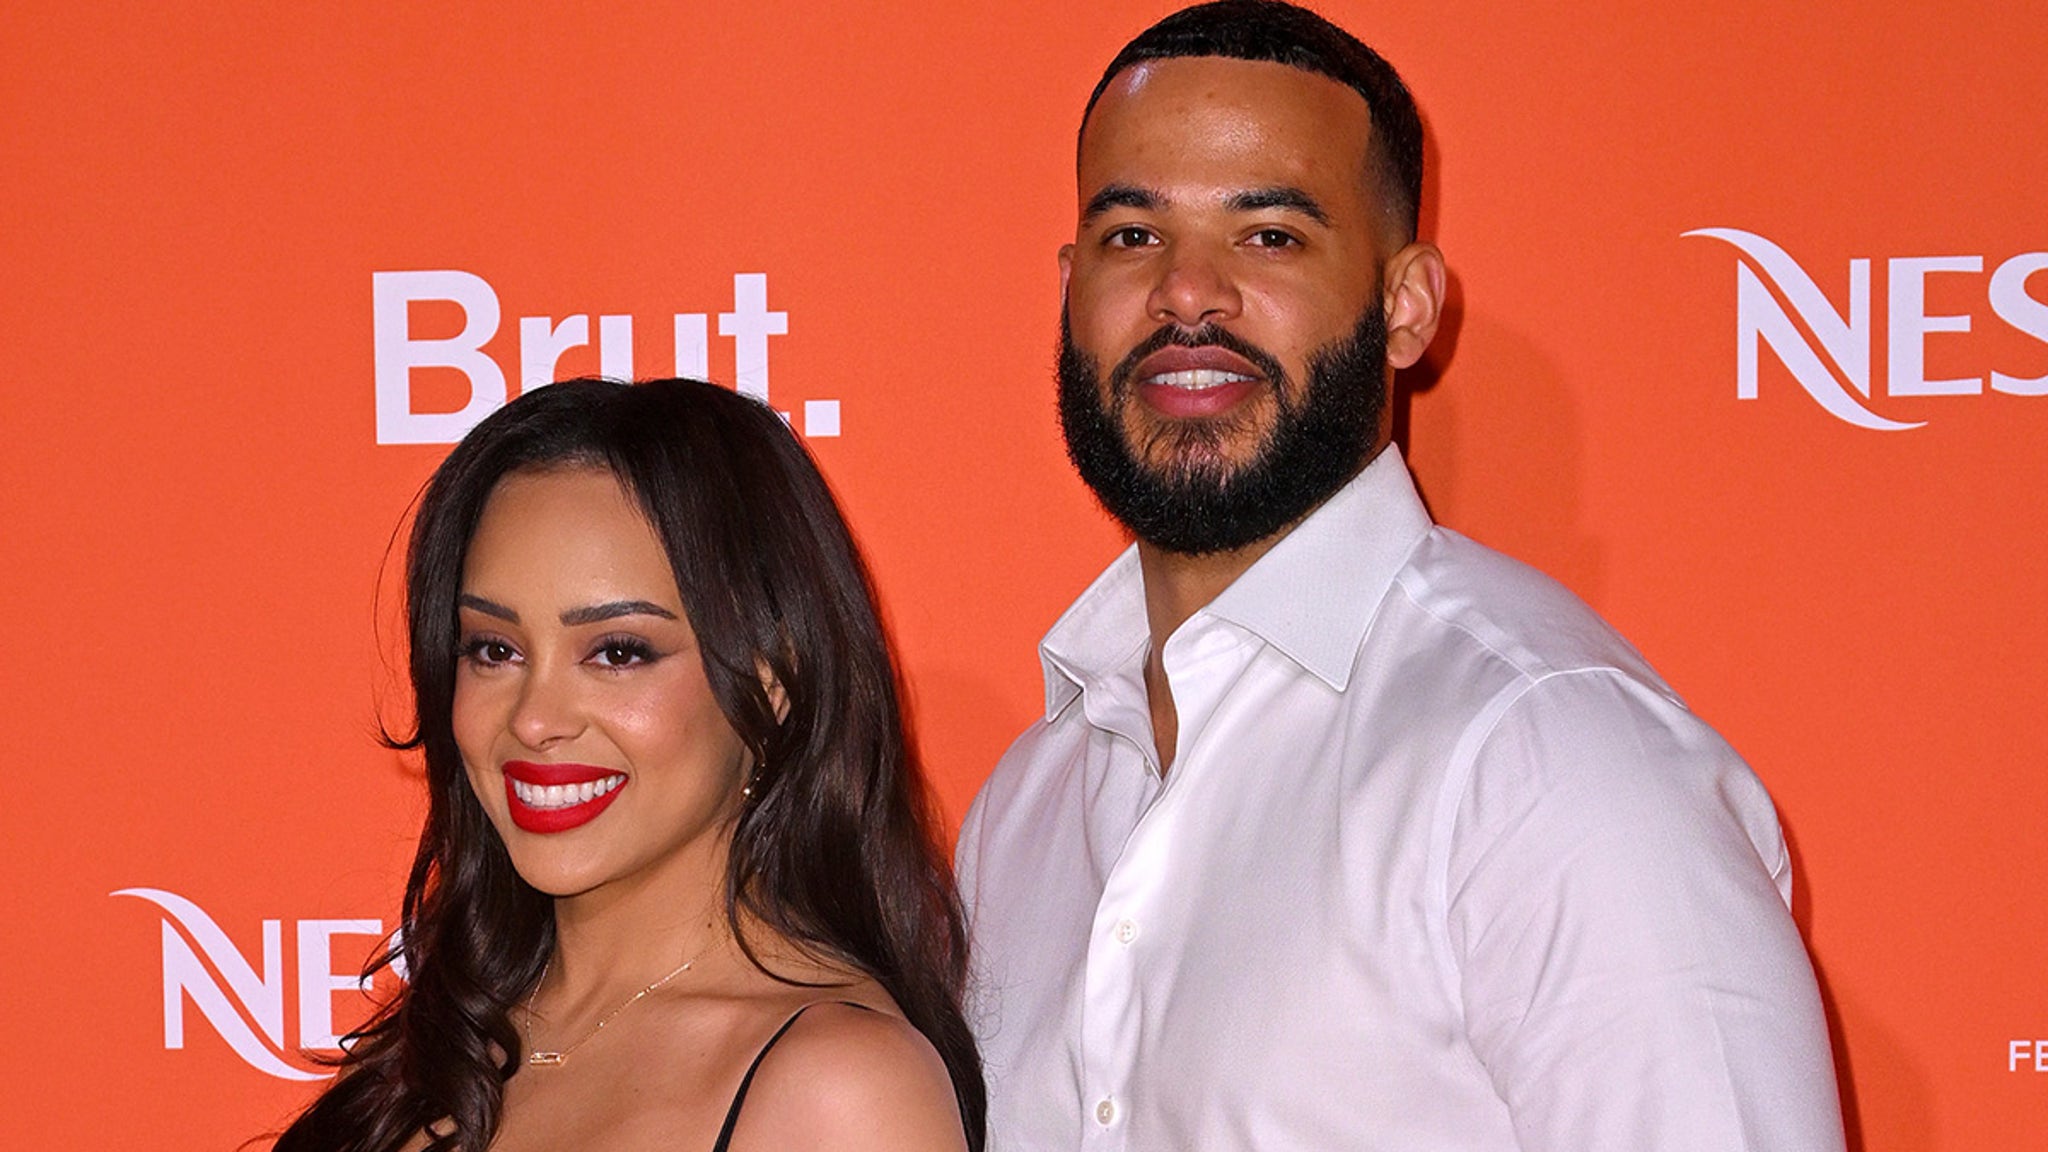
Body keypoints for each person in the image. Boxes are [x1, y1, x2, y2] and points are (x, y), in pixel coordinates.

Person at [954, 3, 1845, 1149]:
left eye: (1268, 235)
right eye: (1133, 234)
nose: (1186, 293)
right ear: (1069, 288)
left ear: (1404, 305)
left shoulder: (1548, 755)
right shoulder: (1024, 803)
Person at [276, 377, 983, 1152]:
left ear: (773, 684)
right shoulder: (426, 1055)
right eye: (495, 649)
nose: (535, 719)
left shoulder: (842, 1091)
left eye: (617, 652)